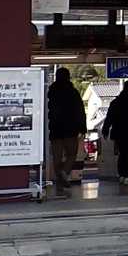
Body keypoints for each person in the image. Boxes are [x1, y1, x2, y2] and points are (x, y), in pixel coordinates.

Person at [46, 68, 86, 197]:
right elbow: (80, 110)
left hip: (55, 129)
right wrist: (82, 127)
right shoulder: (73, 92)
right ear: (68, 77)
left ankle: (59, 184)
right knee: (72, 154)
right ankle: (65, 172)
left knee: (57, 157)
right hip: (70, 129)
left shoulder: (51, 92)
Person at [102, 80, 128, 185]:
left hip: (119, 132)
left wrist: (105, 129)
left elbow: (109, 117)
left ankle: (122, 175)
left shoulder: (116, 102)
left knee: (122, 154)